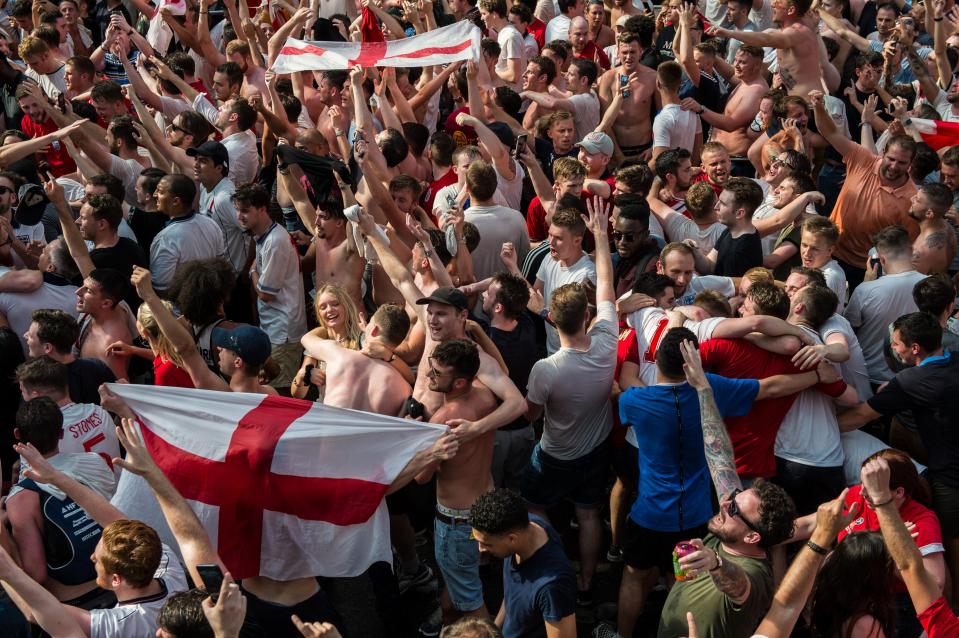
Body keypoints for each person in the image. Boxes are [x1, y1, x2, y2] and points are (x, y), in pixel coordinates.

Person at [654, 339, 799, 638]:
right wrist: (704, 389)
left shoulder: (757, 578)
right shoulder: (731, 526)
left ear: (752, 536)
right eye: (733, 498)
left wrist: (716, 563)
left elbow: (738, 586)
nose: (724, 503)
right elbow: (718, 455)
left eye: (734, 507)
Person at [521, 198, 614, 606]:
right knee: (590, 514)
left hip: (556, 454)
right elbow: (608, 282)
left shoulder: (547, 369)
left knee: (534, 507)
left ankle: (541, 568)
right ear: (587, 314)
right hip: (597, 449)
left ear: (553, 320)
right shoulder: (608, 337)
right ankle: (587, 580)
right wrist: (601, 238)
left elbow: (531, 415)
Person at [839, 311, 959, 602]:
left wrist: (821, 428)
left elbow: (860, 416)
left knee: (949, 549)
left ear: (914, 348)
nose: (893, 349)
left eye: (896, 344)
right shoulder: (954, 360)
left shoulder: (912, 381)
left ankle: (951, 614)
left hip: (950, 478)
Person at [415, 339, 498, 623]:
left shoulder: (444, 420)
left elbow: (421, 476)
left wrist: (415, 440)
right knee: (461, 585)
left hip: (457, 523)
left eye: (437, 373)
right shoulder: (487, 396)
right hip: (483, 508)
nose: (429, 376)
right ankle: (445, 622)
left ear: (460, 382)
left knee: (473, 606)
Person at [6, 397, 116, 607]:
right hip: (118, 574)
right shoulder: (94, 461)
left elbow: (35, 575)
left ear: (17, 435)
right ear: (61, 433)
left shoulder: (20, 499)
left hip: (77, 599)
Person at [810, 89, 918, 289]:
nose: (894, 166)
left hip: (865, 270)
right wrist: (818, 107)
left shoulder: (912, 200)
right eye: (891, 159)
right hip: (830, 253)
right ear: (883, 153)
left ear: (910, 165)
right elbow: (830, 132)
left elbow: (904, 248)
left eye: (902, 163)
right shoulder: (863, 159)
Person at [468, 489, 576, 638]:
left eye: (487, 544)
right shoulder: (525, 525)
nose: (481, 550)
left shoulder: (551, 586)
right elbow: (511, 597)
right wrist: (495, 632)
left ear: (512, 539)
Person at [233, 182, 307, 390]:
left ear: (262, 209)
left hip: (282, 332)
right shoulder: (265, 236)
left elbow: (265, 294)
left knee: (280, 391)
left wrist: (252, 272)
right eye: (238, 210)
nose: (239, 216)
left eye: (245, 211)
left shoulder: (275, 241)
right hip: (275, 328)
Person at [845, 225, 926, 388]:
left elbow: (848, 329)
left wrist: (867, 283)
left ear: (881, 260)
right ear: (911, 253)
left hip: (868, 375)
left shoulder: (865, 290)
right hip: (913, 377)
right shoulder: (930, 285)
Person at [300, 303, 412, 415]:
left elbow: (306, 338)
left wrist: (327, 327)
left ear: (374, 330)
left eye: (370, 323)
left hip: (331, 431)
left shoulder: (337, 354)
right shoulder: (404, 389)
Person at [15, 356, 120, 468]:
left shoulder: (48, 437)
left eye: (22, 391)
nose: (22, 396)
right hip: (118, 484)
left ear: (36, 397)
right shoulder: (100, 412)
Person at [148, 174, 226, 293]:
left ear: (176, 201)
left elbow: (161, 288)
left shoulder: (166, 238)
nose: (154, 195)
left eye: (160, 191)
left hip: (180, 309)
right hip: (211, 301)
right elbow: (220, 266)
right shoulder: (211, 224)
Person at [23, 308, 115, 404]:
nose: (25, 336)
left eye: (30, 336)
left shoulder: (39, 384)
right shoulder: (97, 367)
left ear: (47, 347)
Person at [688, 176, 764, 277]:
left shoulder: (741, 251)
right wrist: (693, 250)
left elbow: (729, 289)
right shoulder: (730, 231)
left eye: (722, 204)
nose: (716, 207)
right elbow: (710, 266)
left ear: (739, 213)